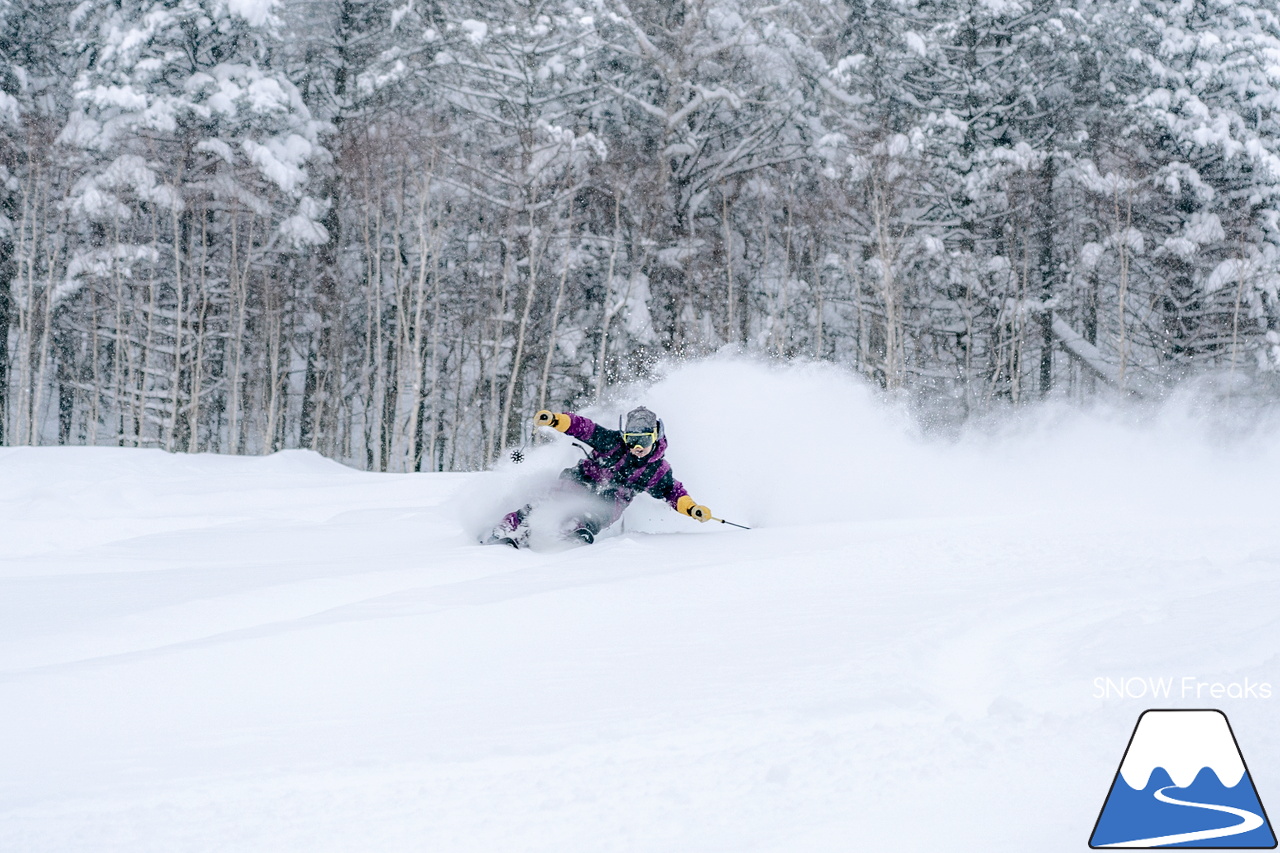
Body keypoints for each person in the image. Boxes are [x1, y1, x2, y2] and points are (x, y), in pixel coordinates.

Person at [484, 406, 713, 547]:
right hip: (583, 478)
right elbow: (583, 428)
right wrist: (555, 420)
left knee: (602, 511)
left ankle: (574, 532)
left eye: (643, 441)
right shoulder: (612, 442)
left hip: (613, 497)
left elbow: (673, 492)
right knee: (555, 497)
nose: (637, 447)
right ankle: (515, 525)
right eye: (632, 440)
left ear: (655, 438)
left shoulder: (656, 470)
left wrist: (692, 509)